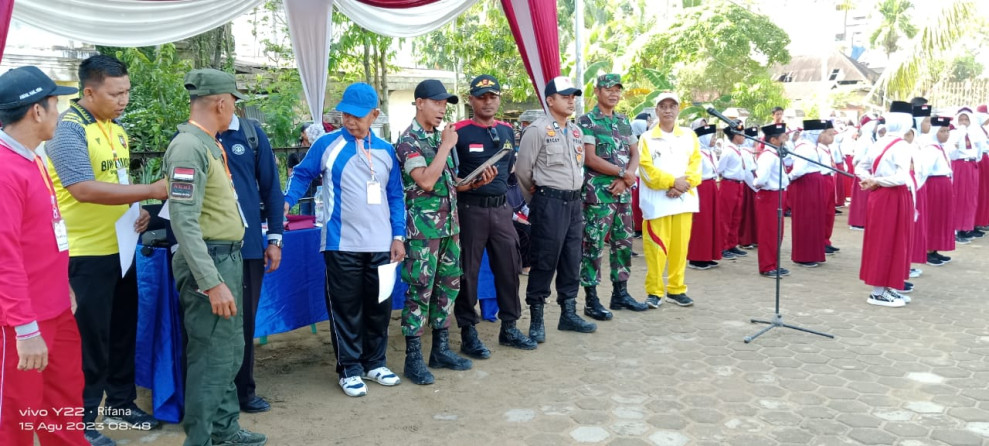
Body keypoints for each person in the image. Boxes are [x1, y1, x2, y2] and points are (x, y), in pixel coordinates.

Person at [45, 54, 164, 445]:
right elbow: (82, 187)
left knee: (121, 332)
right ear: (89, 91)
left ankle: (120, 404)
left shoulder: (115, 128)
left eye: (127, 92)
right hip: (85, 254)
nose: (123, 100)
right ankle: (81, 420)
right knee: (89, 341)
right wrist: (152, 190)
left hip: (121, 249)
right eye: (116, 94)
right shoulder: (68, 129)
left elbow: (119, 180)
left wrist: (138, 208)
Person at [284, 82, 406, 397]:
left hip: (381, 245)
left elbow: (395, 195)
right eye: (345, 115)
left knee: (379, 307)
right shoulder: (327, 144)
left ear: (374, 115)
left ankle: (375, 363)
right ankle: (349, 369)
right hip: (341, 243)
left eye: (357, 116)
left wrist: (398, 235)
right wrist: (287, 201)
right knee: (346, 309)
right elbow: (302, 174)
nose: (350, 121)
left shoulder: (386, 151)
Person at [164, 68, 266, 445]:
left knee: (228, 351)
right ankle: (201, 438)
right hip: (209, 262)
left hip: (226, 258)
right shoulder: (188, 147)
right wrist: (210, 282)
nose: (235, 111)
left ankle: (224, 429)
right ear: (221, 103)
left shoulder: (207, 142)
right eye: (234, 104)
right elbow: (184, 221)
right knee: (210, 358)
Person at [0, 66, 86, 446]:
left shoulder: (32, 157)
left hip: (54, 307)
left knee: (64, 404)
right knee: (16, 415)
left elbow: (43, 233)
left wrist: (62, 284)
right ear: (36, 110)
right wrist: (25, 328)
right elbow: (4, 257)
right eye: (56, 104)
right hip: (21, 320)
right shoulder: (5, 169)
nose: (60, 114)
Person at [395, 79, 480, 385]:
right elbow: (426, 181)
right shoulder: (409, 141)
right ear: (419, 103)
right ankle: (413, 358)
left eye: (445, 104)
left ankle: (440, 350)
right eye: (437, 102)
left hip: (449, 228)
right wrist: (446, 145)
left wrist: (472, 183)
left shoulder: (436, 138)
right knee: (420, 290)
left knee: (448, 286)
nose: (442, 109)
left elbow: (446, 182)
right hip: (423, 232)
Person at [451, 74, 536, 359]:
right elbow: (450, 176)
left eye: (493, 97)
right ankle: (468, 331)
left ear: (499, 99)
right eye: (481, 97)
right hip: (470, 210)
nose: (488, 102)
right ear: (471, 100)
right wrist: (472, 184)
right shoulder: (458, 131)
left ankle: (509, 326)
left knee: (509, 268)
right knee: (467, 272)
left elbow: (509, 169)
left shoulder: (507, 131)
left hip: (501, 210)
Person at [516, 76, 598, 338]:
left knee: (572, 258)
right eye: (565, 97)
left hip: (573, 203)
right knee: (544, 260)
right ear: (550, 100)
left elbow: (579, 167)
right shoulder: (537, 130)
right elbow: (522, 171)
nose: (571, 101)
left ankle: (568, 313)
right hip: (548, 202)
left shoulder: (576, 131)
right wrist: (538, 200)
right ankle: (536, 319)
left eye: (573, 96)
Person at [217, 111, 284, 412]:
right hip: (209, 249)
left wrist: (275, 239)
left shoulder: (251, 135)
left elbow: (271, 188)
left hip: (249, 248)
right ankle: (212, 399)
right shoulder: (194, 135)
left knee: (244, 322)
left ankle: (243, 392)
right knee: (210, 326)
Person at [576, 73, 648, 321]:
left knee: (623, 244)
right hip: (598, 195)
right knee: (593, 245)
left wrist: (628, 176)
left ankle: (620, 293)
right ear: (597, 92)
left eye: (617, 89)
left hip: (622, 194)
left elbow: (635, 153)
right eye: (608, 89)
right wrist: (622, 173)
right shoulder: (586, 121)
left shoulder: (623, 121)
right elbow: (590, 158)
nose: (614, 93)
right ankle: (591, 300)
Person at [637, 91, 701, 308]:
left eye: (672, 106)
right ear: (656, 110)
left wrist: (683, 185)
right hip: (657, 203)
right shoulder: (647, 138)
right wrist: (672, 182)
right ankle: (654, 291)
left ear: (678, 109)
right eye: (663, 106)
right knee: (656, 249)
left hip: (684, 201)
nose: (667, 110)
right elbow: (646, 170)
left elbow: (696, 165)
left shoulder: (689, 136)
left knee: (679, 249)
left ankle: (676, 289)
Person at [857, 101, 914, 307]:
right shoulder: (902, 145)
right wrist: (876, 180)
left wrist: (871, 180)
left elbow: (860, 167)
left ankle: (886, 286)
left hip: (879, 195)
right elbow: (901, 177)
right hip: (893, 196)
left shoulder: (878, 142)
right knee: (888, 241)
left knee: (884, 240)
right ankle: (878, 292)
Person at [787, 120, 832, 268]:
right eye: (821, 133)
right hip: (806, 184)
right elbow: (799, 169)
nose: (822, 136)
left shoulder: (810, 146)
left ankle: (812, 253)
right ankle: (804, 255)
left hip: (812, 183)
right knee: (807, 218)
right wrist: (789, 178)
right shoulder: (805, 148)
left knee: (814, 219)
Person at [753, 123, 791, 278]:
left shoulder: (775, 154)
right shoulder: (768, 156)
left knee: (777, 232)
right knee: (768, 232)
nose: (785, 140)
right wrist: (757, 184)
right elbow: (761, 179)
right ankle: (767, 266)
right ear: (774, 140)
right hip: (769, 195)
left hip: (777, 195)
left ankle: (773, 263)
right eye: (783, 137)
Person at [686, 124, 722, 270]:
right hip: (701, 188)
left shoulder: (710, 152)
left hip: (711, 187)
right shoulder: (697, 154)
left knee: (711, 222)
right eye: (712, 136)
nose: (714, 139)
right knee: (702, 222)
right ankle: (697, 257)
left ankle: (708, 254)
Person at [919, 115, 955, 265]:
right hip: (934, 186)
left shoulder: (941, 148)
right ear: (934, 132)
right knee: (933, 218)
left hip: (943, 185)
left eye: (947, 131)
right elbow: (924, 171)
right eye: (942, 131)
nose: (946, 134)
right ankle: (927, 251)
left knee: (941, 218)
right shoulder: (930, 149)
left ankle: (934, 248)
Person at [949, 107, 982, 242]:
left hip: (971, 165)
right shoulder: (954, 133)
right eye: (961, 119)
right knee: (960, 197)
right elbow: (953, 152)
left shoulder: (974, 133)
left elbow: (979, 149)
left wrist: (976, 159)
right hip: (960, 165)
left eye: (966, 119)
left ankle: (966, 227)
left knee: (970, 197)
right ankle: (957, 229)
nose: (963, 122)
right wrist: (959, 135)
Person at [718, 125, 750, 259]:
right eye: (741, 134)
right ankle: (722, 246)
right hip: (729, 184)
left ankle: (732, 244)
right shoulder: (728, 151)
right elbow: (719, 169)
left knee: (736, 216)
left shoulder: (738, 150)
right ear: (735, 136)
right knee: (726, 216)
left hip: (739, 185)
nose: (744, 136)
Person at [738, 126, 760, 249]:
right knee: (747, 213)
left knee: (753, 213)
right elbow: (747, 172)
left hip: (753, 185)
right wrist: (755, 185)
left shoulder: (750, 152)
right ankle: (745, 239)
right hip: (749, 186)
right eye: (755, 139)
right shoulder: (745, 152)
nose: (757, 142)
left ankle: (754, 237)